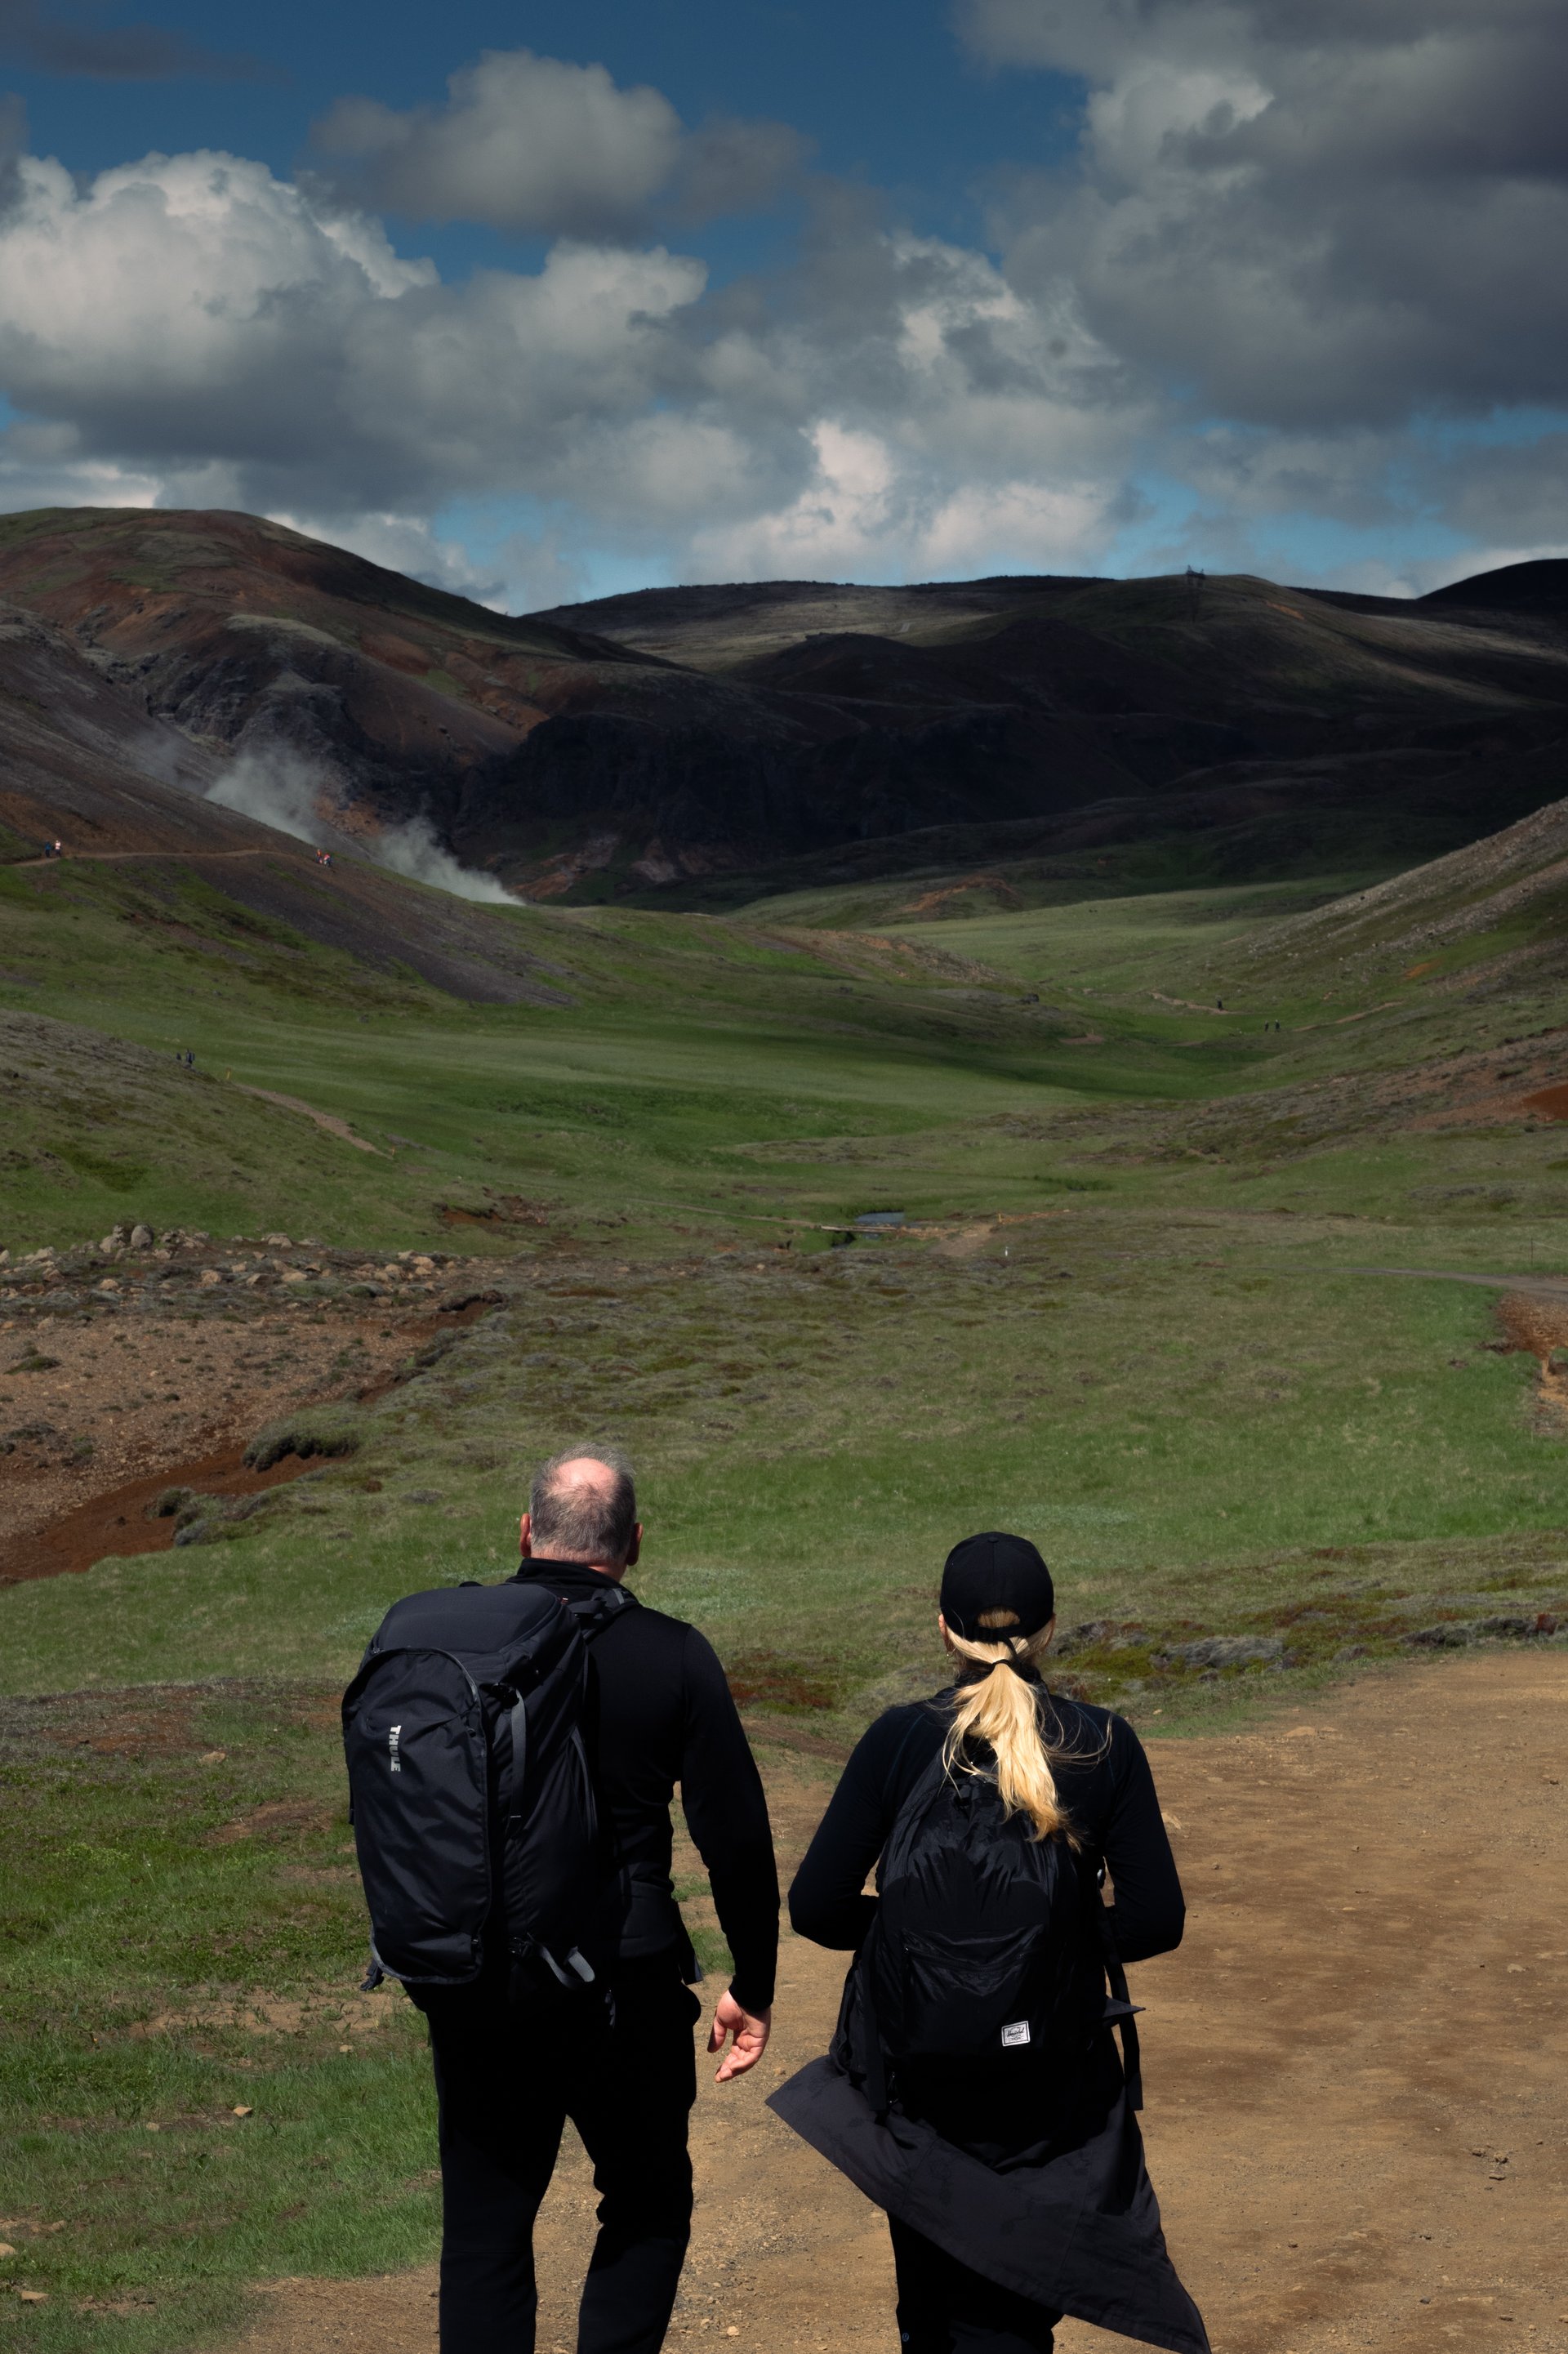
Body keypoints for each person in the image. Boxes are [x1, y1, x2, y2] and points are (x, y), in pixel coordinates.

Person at [775, 1532, 1206, 2354]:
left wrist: (919, 1947)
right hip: (1050, 2071)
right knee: (1013, 2299)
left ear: (945, 1629)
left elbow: (817, 1906)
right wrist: (1046, 1955)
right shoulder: (1102, 1740)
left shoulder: (899, 1738)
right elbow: (1157, 1918)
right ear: (1048, 1631)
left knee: (932, 2295)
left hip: (918, 2070)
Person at [416, 1449, 778, 2354]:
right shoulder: (673, 1653)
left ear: (527, 1534)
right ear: (635, 1547)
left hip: (483, 1978)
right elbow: (734, 1835)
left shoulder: (453, 1642)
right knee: (648, 2204)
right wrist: (755, 1979)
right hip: (626, 1977)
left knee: (486, 2224)